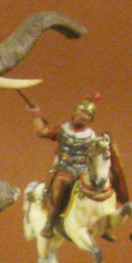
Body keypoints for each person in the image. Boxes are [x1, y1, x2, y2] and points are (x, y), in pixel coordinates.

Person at [28, 93, 100, 238]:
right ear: (75, 112)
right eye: (81, 112)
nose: (83, 116)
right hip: (63, 169)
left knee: (99, 190)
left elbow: (96, 156)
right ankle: (51, 221)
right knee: (60, 188)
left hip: (82, 171)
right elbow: (42, 132)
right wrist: (36, 115)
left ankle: (101, 223)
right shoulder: (63, 130)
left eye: (87, 114)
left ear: (90, 119)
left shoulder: (91, 137)